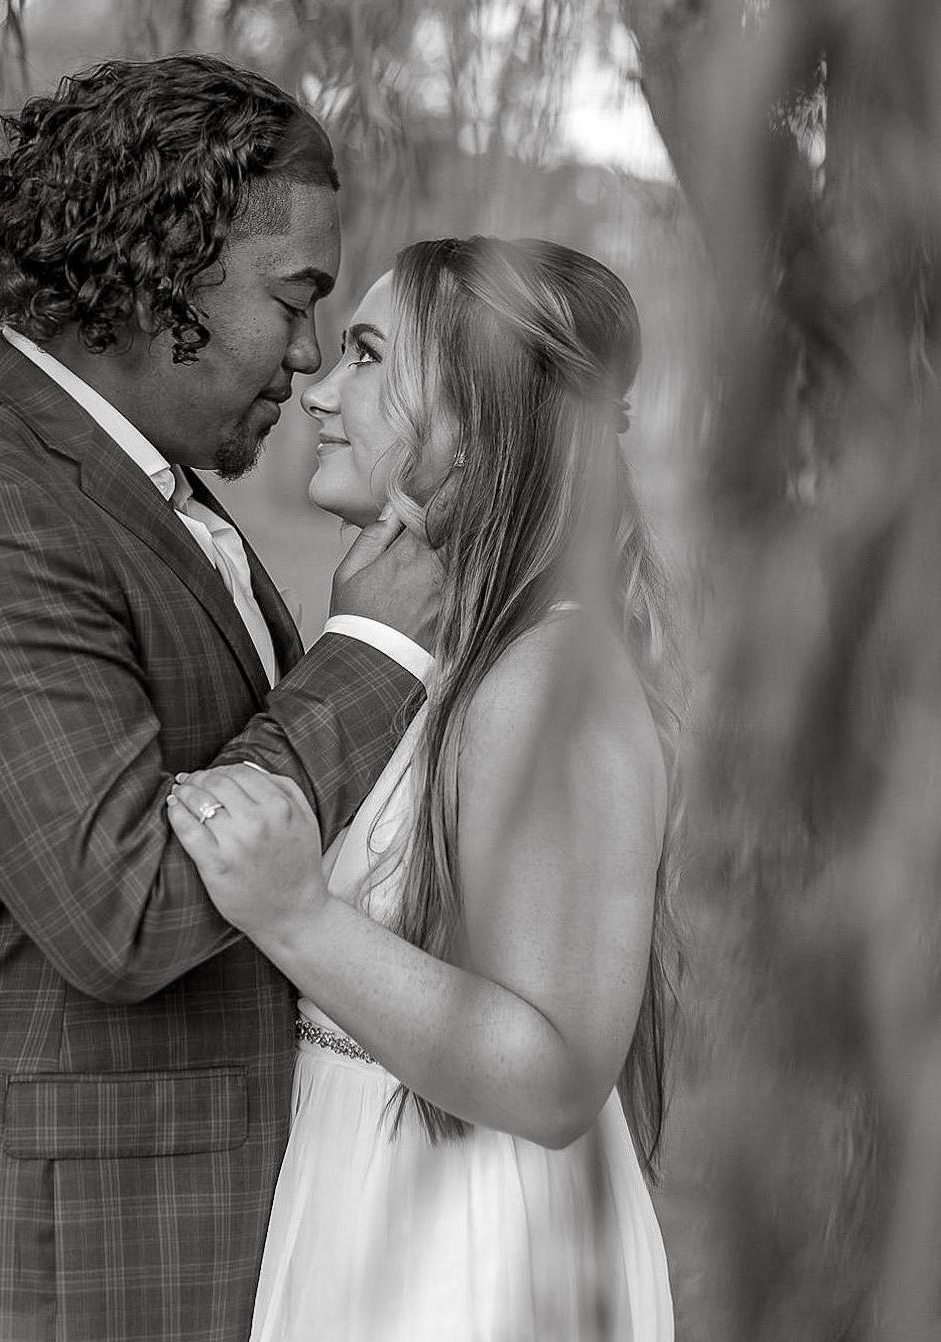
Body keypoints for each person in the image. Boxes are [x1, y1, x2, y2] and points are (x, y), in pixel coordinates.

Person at [0, 57, 442, 1342]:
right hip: (39, 1267)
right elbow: (125, 907)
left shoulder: (132, 489)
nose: (309, 356)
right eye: (295, 298)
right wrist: (374, 651)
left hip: (147, 1246)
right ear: (164, 266)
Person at [168, 236, 679, 1341]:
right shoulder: (456, 663)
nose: (318, 390)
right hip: (368, 1209)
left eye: (365, 355)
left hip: (469, 1259)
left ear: (478, 413)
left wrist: (297, 918)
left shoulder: (549, 684)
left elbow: (552, 1075)